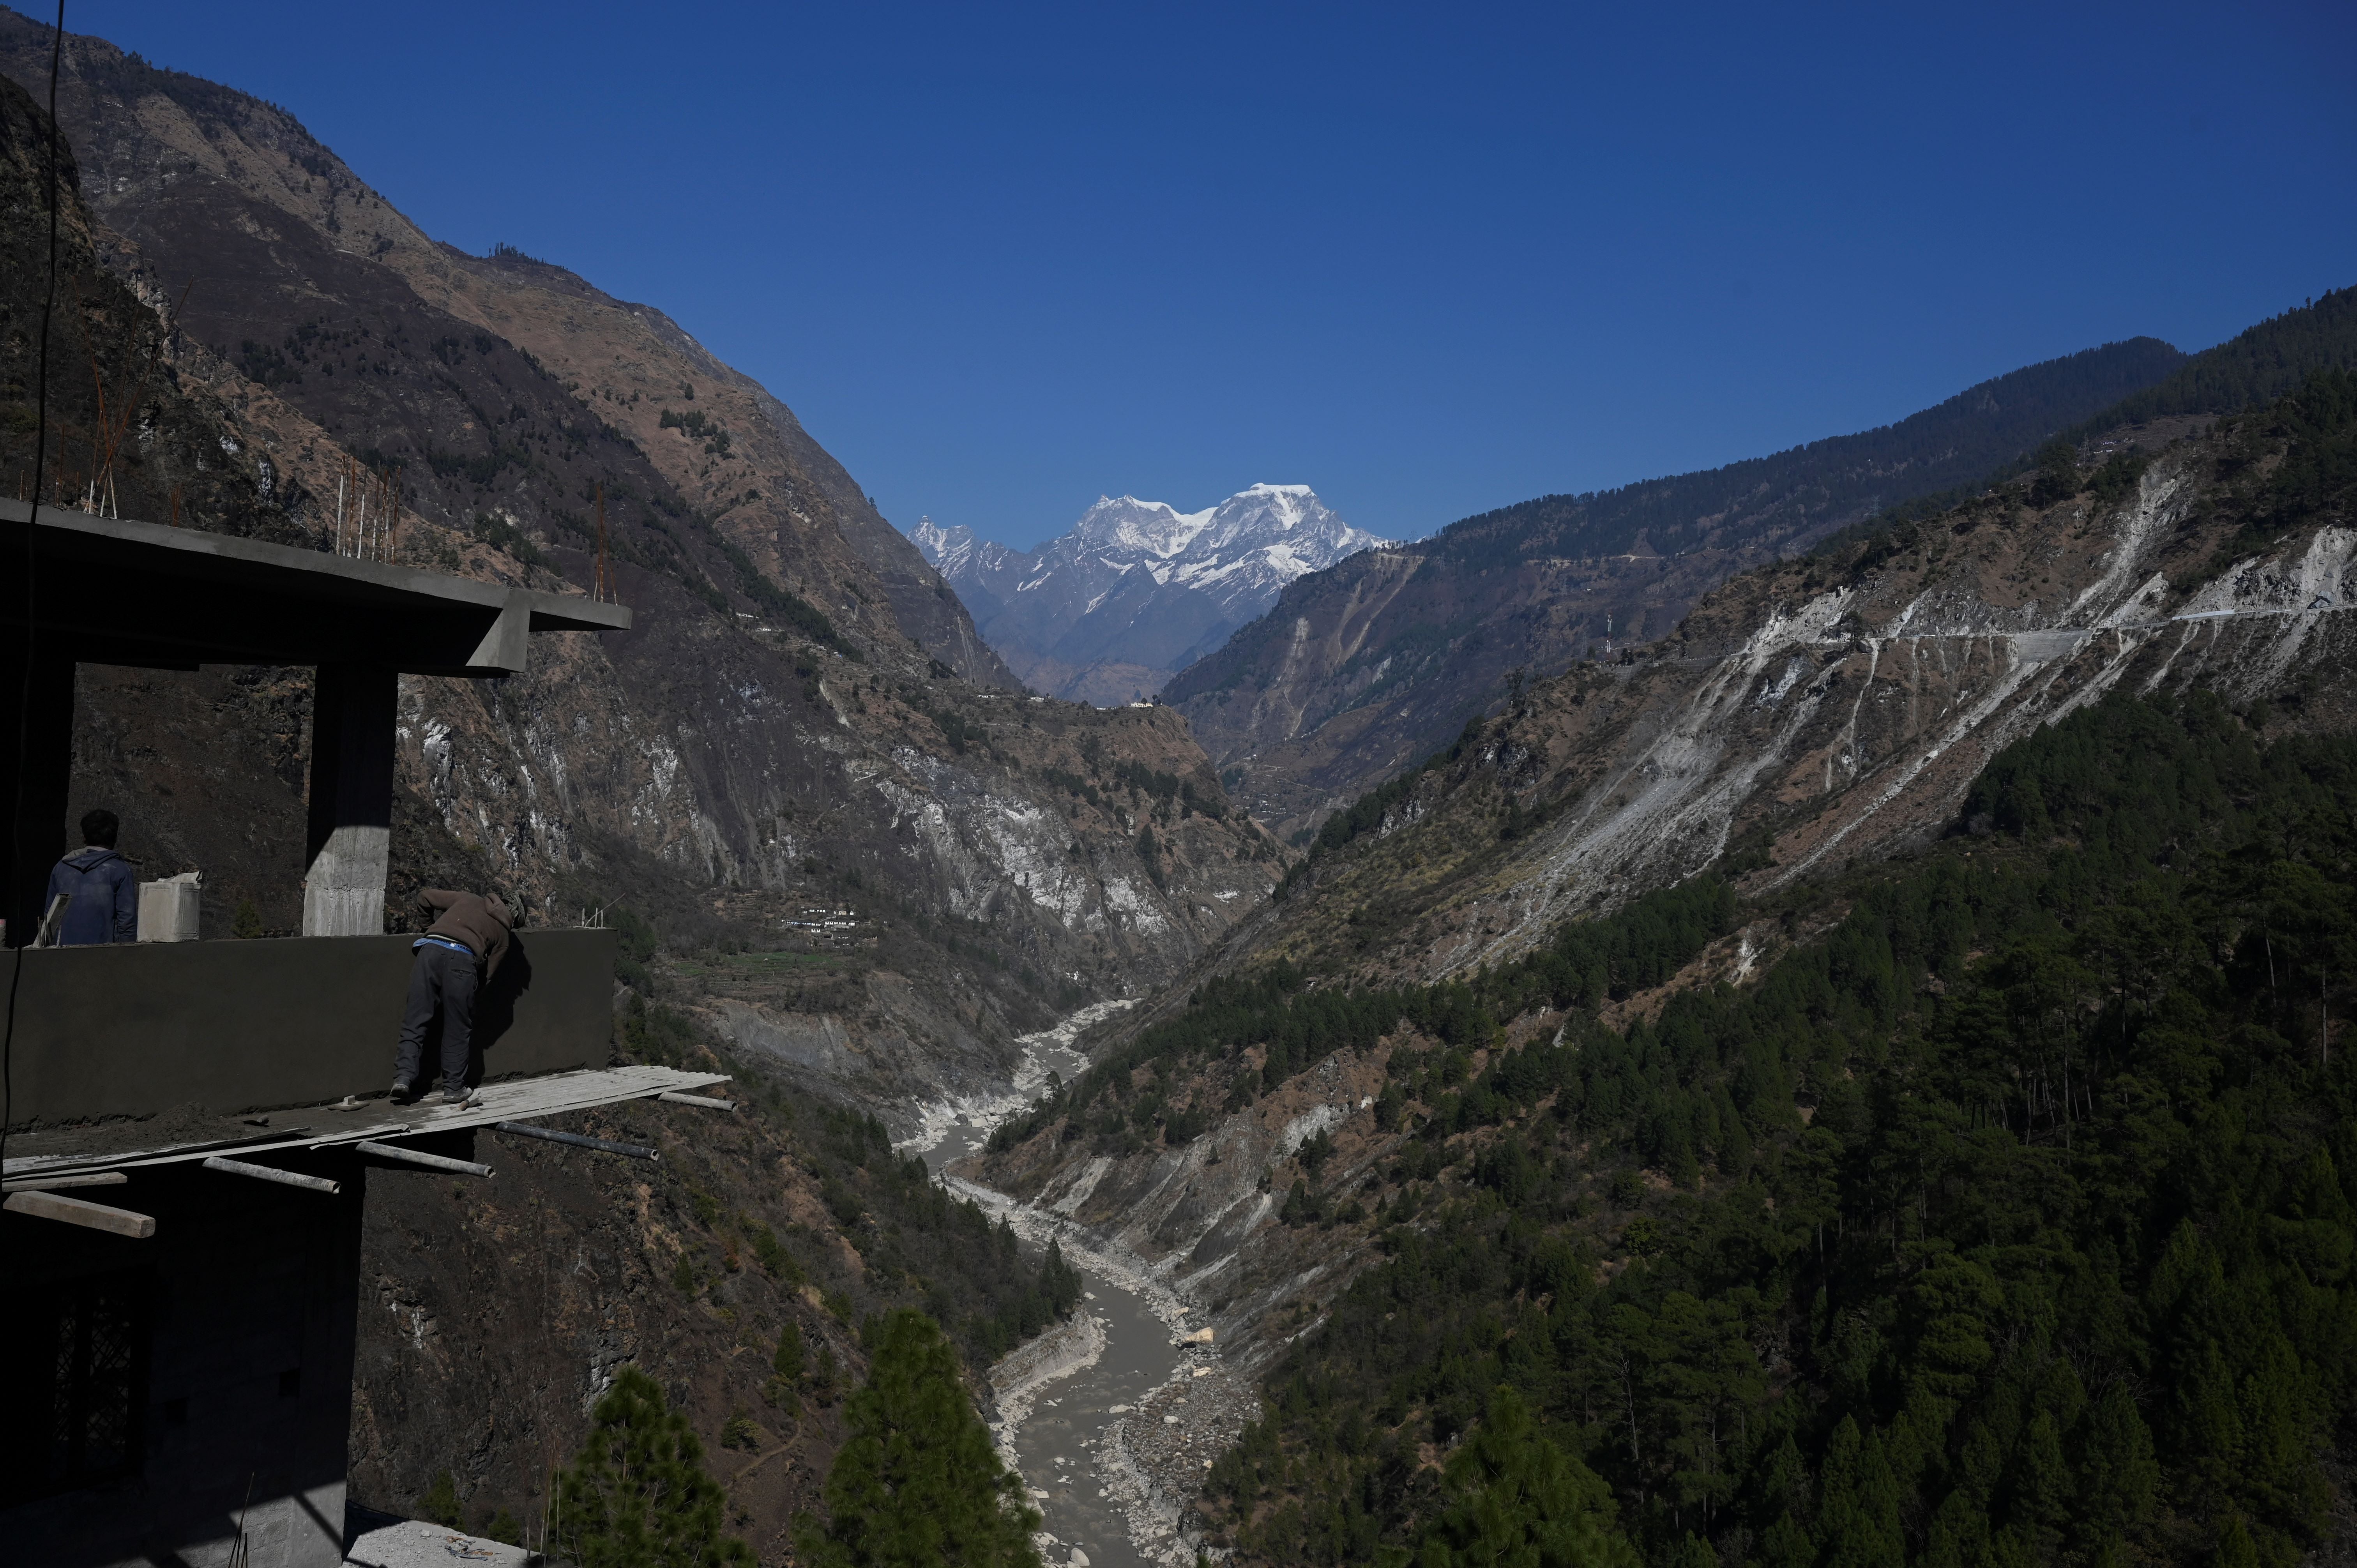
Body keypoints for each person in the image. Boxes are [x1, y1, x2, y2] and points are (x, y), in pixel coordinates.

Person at [393, 886, 515, 1106]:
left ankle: (403, 1078)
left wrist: (428, 928)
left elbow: (425, 897)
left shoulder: (468, 898)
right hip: (463, 962)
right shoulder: (504, 934)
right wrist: (470, 995)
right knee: (457, 1029)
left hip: (429, 952)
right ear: (514, 917)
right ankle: (453, 1089)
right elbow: (488, 977)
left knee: (415, 1019)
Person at [45, 809, 138, 945]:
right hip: (103, 956)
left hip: (62, 954)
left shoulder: (61, 868)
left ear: (84, 837)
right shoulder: (120, 871)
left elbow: (50, 917)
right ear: (115, 838)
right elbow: (127, 921)